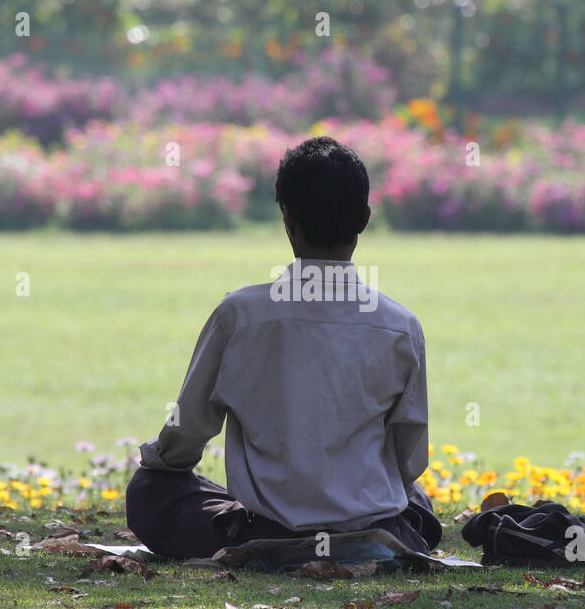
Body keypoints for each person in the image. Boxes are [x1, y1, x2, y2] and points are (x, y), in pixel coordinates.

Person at [126, 136, 441, 559]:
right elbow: (409, 461)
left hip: (266, 531)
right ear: (364, 219)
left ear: (288, 220)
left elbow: (185, 438)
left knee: (150, 489)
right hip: (372, 528)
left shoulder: (240, 314)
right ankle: (360, 543)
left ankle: (286, 545)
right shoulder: (401, 326)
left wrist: (158, 463)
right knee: (416, 500)